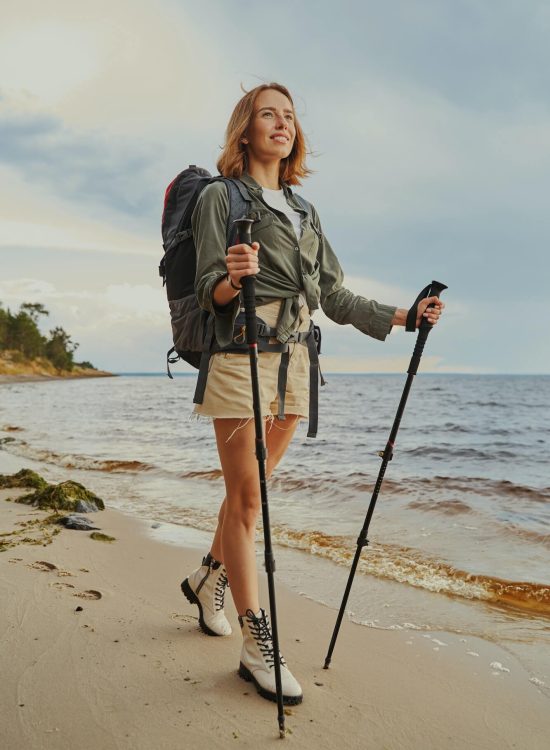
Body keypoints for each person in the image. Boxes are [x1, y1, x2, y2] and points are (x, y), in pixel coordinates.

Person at [180, 83, 444, 706]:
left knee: (250, 493)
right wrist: (231, 280)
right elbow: (205, 288)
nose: (282, 123)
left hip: (297, 363)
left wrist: (406, 315)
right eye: (268, 114)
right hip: (241, 356)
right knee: (248, 504)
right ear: (245, 129)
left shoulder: (304, 211)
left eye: (290, 116)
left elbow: (334, 295)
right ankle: (256, 645)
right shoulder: (221, 197)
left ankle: (208, 576)